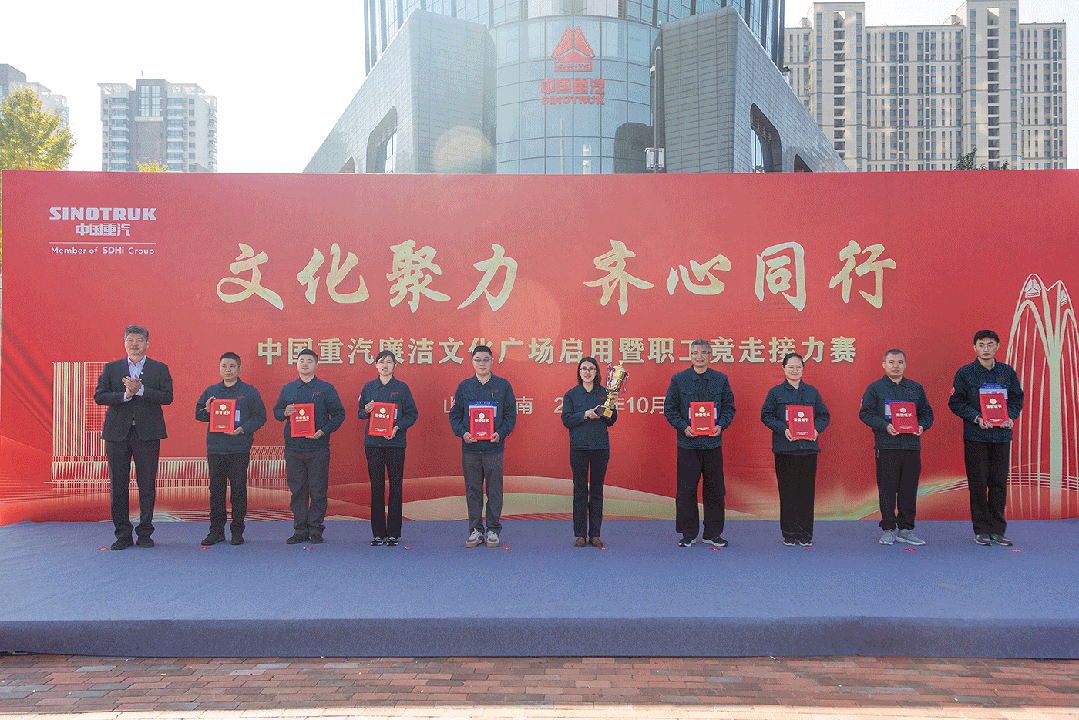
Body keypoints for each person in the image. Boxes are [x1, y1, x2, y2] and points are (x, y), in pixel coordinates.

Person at [93, 325, 174, 550]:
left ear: (147, 343)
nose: (134, 344)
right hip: (117, 434)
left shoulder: (159, 368)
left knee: (147, 484)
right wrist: (125, 394)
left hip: (147, 434)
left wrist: (141, 390)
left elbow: (168, 397)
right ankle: (122, 535)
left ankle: (145, 533)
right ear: (124, 343)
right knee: (118, 484)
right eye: (130, 339)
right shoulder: (112, 368)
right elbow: (99, 396)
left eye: (139, 340)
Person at [948, 330, 1024, 546]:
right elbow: (956, 402)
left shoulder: (1007, 372)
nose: (986, 349)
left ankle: (998, 531)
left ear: (997, 346)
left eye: (990, 344)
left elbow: (1017, 398)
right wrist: (976, 417)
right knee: (978, 484)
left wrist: (1011, 416)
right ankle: (981, 530)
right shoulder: (965, 373)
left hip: (1002, 436)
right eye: (981, 345)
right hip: (976, 436)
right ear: (975, 348)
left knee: (999, 484)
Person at [663, 339, 736, 548]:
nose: (699, 357)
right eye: (695, 353)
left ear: (710, 355)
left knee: (715, 491)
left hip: (713, 445)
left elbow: (729, 407)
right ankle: (688, 534)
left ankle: (713, 533)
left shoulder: (720, 379)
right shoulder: (679, 379)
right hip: (688, 445)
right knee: (686, 491)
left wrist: (721, 425)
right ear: (690, 355)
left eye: (703, 353)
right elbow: (669, 409)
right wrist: (683, 427)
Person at [858, 349, 934, 546]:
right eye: (891, 362)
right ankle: (889, 529)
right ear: (884, 365)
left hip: (911, 447)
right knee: (887, 489)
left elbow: (927, 414)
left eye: (900, 362)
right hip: (887, 446)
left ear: (905, 365)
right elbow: (865, 414)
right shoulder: (875, 388)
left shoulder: (915, 388)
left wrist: (921, 426)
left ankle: (906, 529)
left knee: (909, 489)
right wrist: (885, 426)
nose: (895, 366)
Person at [273, 348, 346, 545]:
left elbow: (339, 414)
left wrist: (323, 431)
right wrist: (284, 412)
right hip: (294, 449)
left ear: (316, 365)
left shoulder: (326, 388)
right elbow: (277, 412)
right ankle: (300, 530)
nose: (304, 364)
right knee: (297, 491)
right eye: (301, 360)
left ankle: (315, 529)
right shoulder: (289, 388)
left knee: (317, 491)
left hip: (318, 448)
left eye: (309, 361)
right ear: (296, 364)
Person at [194, 352, 267, 546]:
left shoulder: (249, 392)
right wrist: (207, 411)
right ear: (219, 368)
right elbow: (199, 414)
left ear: (239, 368)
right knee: (216, 492)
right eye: (224, 366)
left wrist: (243, 429)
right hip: (216, 449)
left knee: (238, 491)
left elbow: (260, 416)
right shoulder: (212, 391)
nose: (228, 370)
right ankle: (216, 531)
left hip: (238, 449)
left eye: (232, 366)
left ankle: (237, 531)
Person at [448, 345, 517, 548]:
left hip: (494, 449)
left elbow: (511, 416)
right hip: (470, 449)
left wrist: (501, 433)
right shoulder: (464, 387)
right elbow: (455, 416)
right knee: (473, 491)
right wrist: (463, 433)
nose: (482, 363)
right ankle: (476, 530)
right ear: (472, 362)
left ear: (492, 361)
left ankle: (493, 529)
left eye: (486, 359)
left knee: (495, 491)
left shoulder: (503, 386)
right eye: (478, 359)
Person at [760, 353, 830, 547]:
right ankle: (789, 534)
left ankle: (805, 534)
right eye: (790, 367)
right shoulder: (775, 392)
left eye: (798, 367)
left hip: (808, 450)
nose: (794, 370)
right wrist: (783, 429)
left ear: (803, 369)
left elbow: (824, 416)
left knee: (806, 493)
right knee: (787, 493)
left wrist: (816, 429)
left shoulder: (812, 392)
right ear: (784, 369)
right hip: (785, 450)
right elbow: (766, 415)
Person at [358, 350, 419, 547]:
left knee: (395, 487)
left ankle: (393, 533)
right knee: (376, 487)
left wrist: (397, 427)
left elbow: (412, 414)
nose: (385, 365)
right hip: (373, 444)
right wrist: (366, 410)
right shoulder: (369, 387)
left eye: (389, 362)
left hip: (395, 443)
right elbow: (360, 412)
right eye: (381, 362)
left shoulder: (401, 388)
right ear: (376, 365)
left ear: (395, 366)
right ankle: (377, 533)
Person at [561, 357, 618, 548]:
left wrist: (611, 407)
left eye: (591, 369)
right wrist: (585, 414)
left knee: (596, 491)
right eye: (584, 369)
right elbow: (566, 420)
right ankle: (580, 535)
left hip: (600, 447)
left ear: (596, 372)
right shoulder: (571, 395)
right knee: (579, 491)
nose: (587, 372)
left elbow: (611, 420)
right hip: (579, 448)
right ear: (579, 372)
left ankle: (595, 534)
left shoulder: (604, 393)